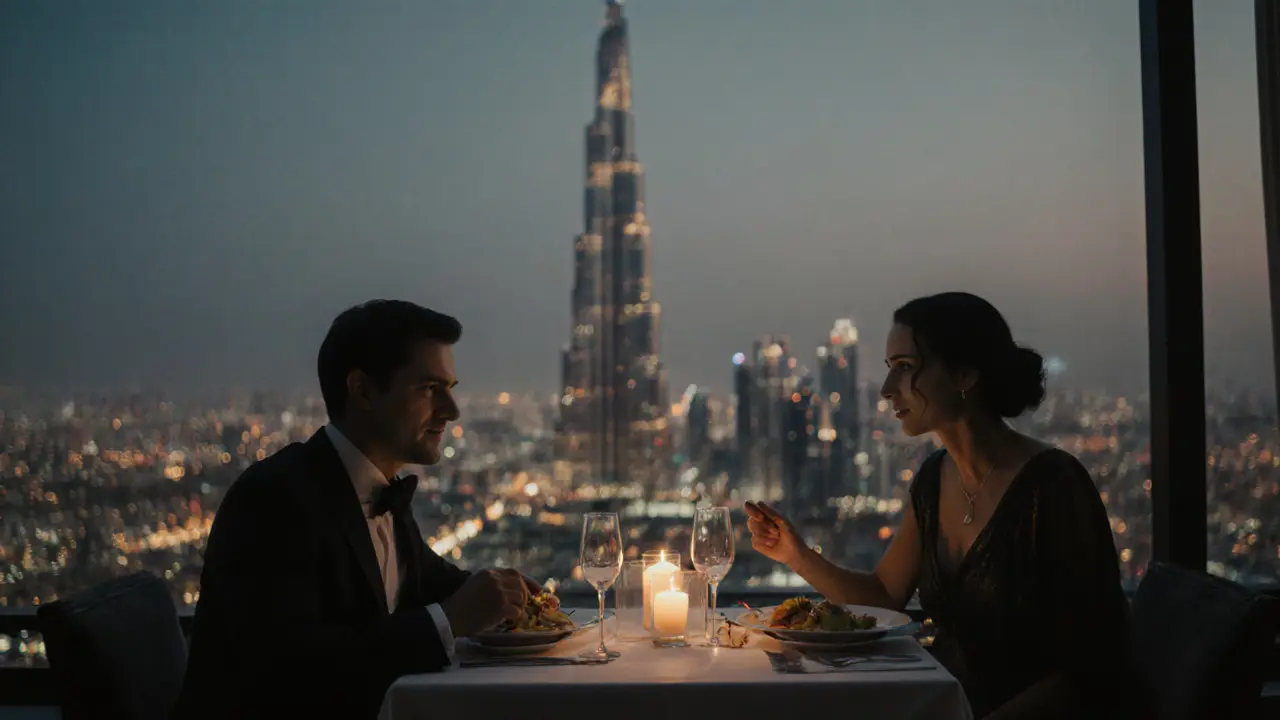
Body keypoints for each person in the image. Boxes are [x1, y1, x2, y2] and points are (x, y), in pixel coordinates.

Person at [745, 292, 1139, 719]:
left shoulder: (1054, 486)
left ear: (964, 374)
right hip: (945, 704)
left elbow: (1094, 666)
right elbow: (884, 595)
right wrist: (794, 554)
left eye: (905, 368)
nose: (886, 389)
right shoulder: (934, 480)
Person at [174, 300, 539, 720]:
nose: (452, 411)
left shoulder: (380, 491)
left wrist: (513, 598)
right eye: (428, 389)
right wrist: (449, 620)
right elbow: (286, 670)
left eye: (450, 389)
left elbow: (433, 583)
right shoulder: (273, 500)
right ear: (363, 390)